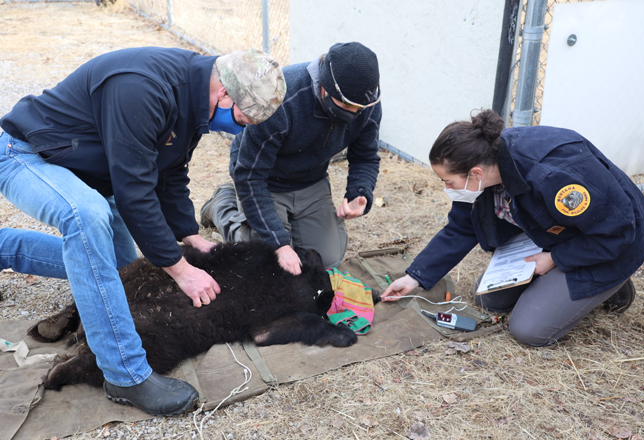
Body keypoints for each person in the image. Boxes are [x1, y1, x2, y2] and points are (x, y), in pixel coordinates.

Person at [0, 46, 286, 415]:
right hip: (25, 153)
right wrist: (181, 270)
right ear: (225, 94)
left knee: (121, 272)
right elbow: (135, 193)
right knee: (85, 216)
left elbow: (170, 173)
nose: (241, 130)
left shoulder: (195, 96)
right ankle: (124, 373)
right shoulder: (143, 87)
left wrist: (190, 236)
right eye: (244, 120)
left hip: (89, 168)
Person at [382, 109, 644, 347]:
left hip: (618, 238)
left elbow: (617, 232)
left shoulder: (551, 175)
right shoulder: (489, 160)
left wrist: (555, 259)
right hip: (563, 233)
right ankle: (569, 282)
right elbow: (461, 229)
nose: (446, 188)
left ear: (475, 173)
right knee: (488, 299)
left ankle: (612, 282)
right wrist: (415, 277)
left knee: (528, 329)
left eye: (449, 182)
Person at [200, 42, 382, 274]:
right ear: (325, 87)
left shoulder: (366, 102)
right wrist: (279, 244)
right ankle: (222, 205)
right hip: (263, 180)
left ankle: (286, 224)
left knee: (326, 261)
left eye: (360, 107)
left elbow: (366, 156)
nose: (355, 112)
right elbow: (250, 176)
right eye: (346, 104)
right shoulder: (280, 97)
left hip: (310, 179)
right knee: (268, 262)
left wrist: (360, 192)